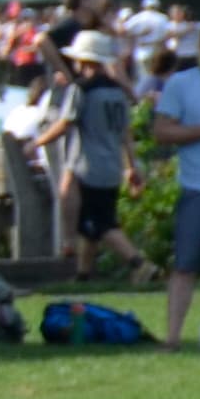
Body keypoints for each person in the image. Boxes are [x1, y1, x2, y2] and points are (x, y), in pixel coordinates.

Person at [48, 31, 157, 285]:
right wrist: (131, 165)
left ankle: (139, 264)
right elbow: (125, 132)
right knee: (91, 226)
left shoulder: (81, 89)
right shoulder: (117, 91)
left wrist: (37, 142)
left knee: (102, 223)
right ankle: (83, 275)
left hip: (88, 166)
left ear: (83, 61)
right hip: (112, 165)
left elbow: (65, 123)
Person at [154, 44, 200, 343]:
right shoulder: (181, 84)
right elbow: (161, 132)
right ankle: (172, 338)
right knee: (185, 266)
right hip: (198, 188)